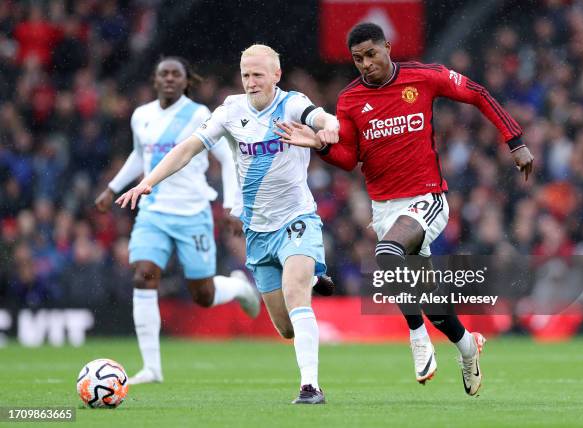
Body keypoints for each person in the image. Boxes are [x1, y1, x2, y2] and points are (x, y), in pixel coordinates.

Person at [275, 22, 535, 396]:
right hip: (385, 207)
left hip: (426, 197)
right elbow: (350, 158)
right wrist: (319, 144)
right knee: (429, 299)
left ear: (388, 47)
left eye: (371, 54)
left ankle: (416, 338)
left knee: (386, 253)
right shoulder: (349, 100)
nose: (365, 64)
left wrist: (515, 140)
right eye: (357, 59)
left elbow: (477, 93)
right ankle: (466, 348)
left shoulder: (423, 77)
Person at [115, 45, 340, 404]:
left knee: (297, 294)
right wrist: (148, 181)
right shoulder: (231, 111)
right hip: (258, 231)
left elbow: (324, 118)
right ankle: (311, 276)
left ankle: (310, 387)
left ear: (276, 75)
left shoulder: (292, 104)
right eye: (246, 75)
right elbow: (188, 148)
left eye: (258, 75)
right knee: (285, 328)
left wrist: (329, 129)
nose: (251, 82)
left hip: (296, 218)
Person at [95, 57, 261, 385]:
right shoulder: (141, 115)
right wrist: (113, 186)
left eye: (176, 74)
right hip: (153, 211)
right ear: (155, 80)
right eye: (163, 74)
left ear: (186, 81)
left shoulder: (198, 115)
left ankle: (238, 286)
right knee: (143, 277)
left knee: (202, 295)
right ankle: (152, 368)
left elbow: (226, 157)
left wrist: (231, 205)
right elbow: (139, 155)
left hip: (192, 212)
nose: (169, 79)